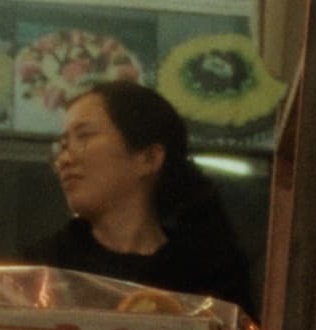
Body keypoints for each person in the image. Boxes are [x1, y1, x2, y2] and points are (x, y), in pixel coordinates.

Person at [25, 81, 255, 315]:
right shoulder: (42, 270)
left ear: (149, 158)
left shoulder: (211, 275)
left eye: (84, 137)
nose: (64, 160)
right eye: (62, 146)